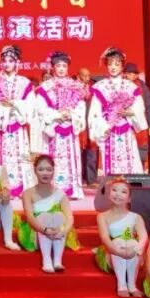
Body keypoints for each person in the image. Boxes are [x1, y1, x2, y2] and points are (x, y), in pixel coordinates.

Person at [34, 52, 89, 200]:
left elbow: (81, 107)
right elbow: (40, 108)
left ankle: (72, 189)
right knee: (53, 158)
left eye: (64, 66)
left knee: (70, 159)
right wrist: (57, 114)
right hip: (54, 128)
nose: (61, 69)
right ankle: (51, 189)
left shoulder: (76, 86)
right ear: (53, 67)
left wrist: (70, 114)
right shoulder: (46, 87)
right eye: (58, 66)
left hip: (69, 126)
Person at [0, 45, 34, 196]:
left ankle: (22, 188)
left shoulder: (24, 82)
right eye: (4, 60)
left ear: (17, 62)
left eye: (11, 61)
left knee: (20, 156)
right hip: (2, 126)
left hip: (18, 125)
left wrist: (14, 104)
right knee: (1, 155)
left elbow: (30, 104)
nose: (7, 64)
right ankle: (1, 186)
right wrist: (2, 110)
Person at [89, 48, 148, 176]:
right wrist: (102, 125)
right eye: (110, 64)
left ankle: (129, 184)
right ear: (106, 65)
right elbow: (95, 110)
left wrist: (131, 112)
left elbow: (139, 106)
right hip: (108, 129)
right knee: (110, 161)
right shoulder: (100, 86)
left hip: (126, 128)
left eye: (117, 64)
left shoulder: (130, 86)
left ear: (122, 66)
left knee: (129, 159)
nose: (113, 67)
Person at [95, 177, 148, 298]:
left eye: (123, 192)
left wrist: (135, 250)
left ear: (129, 198)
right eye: (114, 190)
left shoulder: (136, 217)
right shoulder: (102, 216)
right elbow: (105, 238)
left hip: (133, 253)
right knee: (118, 241)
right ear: (109, 194)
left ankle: (132, 286)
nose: (118, 194)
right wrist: (118, 251)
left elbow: (144, 237)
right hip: (111, 253)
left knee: (132, 242)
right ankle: (122, 285)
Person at [22, 155, 76, 273]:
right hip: (36, 232)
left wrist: (64, 231)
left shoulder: (60, 194)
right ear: (35, 171)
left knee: (58, 216)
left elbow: (69, 217)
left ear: (53, 171)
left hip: (58, 234)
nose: (45, 173)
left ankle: (57, 261)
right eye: (41, 169)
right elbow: (30, 217)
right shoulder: (28, 193)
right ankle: (46, 261)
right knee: (44, 216)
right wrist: (45, 230)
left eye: (49, 169)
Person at [124, 62, 150, 171]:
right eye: (129, 73)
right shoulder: (120, 85)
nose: (132, 76)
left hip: (139, 123)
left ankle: (140, 174)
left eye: (134, 74)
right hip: (124, 124)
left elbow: (149, 105)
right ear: (124, 73)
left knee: (141, 151)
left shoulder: (142, 87)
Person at [77, 67, 100, 185]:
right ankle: (79, 178)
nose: (86, 78)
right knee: (79, 153)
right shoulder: (73, 89)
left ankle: (91, 179)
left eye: (88, 76)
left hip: (91, 124)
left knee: (92, 152)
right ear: (78, 76)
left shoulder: (94, 90)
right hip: (80, 126)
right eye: (84, 75)